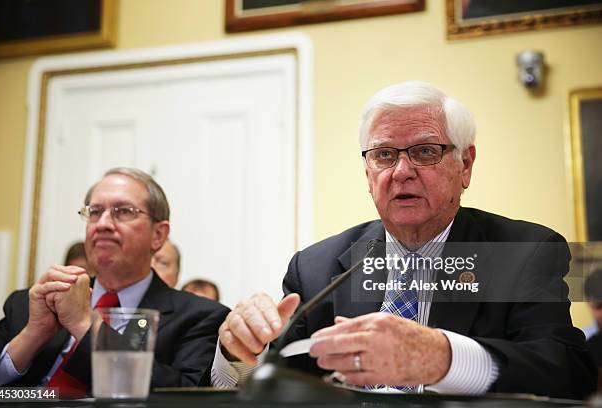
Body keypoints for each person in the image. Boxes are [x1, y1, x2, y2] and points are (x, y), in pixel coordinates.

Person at [211, 81, 596, 399]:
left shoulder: (525, 250)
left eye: (425, 151)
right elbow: (276, 384)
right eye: (384, 155)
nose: (401, 172)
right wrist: (239, 353)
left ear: (465, 165)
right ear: (367, 172)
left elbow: (567, 372)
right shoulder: (316, 266)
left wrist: (442, 359)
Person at [0, 168, 229, 397]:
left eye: (123, 211)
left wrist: (85, 325)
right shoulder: (28, 303)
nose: (102, 223)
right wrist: (33, 335)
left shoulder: (200, 318)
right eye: (94, 212)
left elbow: (180, 399)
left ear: (158, 235)